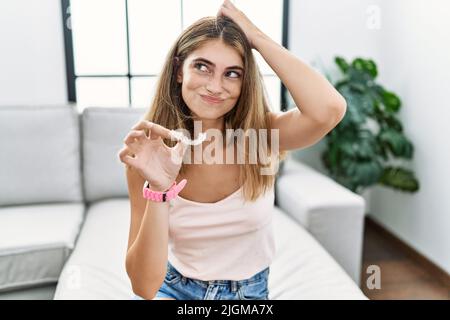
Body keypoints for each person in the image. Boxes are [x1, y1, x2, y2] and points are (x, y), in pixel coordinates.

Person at [118, 0, 347, 300]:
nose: (215, 86)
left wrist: (256, 38)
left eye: (232, 73)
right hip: (174, 290)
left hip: (247, 296)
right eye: (202, 67)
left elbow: (329, 109)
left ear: (244, 82)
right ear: (178, 71)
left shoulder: (263, 136)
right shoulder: (151, 152)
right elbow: (144, 287)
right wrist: (160, 190)